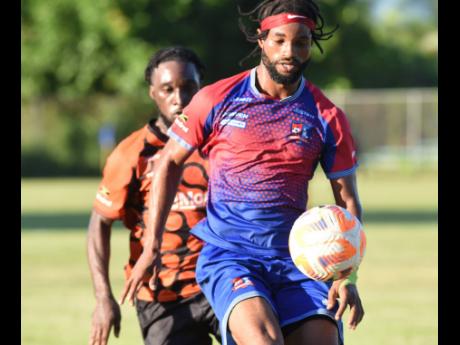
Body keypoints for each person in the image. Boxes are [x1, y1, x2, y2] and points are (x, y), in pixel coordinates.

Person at [120, 1, 365, 344]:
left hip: (300, 262)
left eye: (301, 42)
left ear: (311, 45)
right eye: (279, 40)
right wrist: (151, 247)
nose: (289, 51)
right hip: (230, 256)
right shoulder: (215, 99)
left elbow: (348, 202)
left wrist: (347, 275)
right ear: (261, 40)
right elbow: (168, 163)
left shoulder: (327, 117)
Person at [87, 46, 220, 345]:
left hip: (222, 281)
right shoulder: (131, 154)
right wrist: (103, 297)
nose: (179, 98)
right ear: (152, 93)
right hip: (163, 294)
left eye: (189, 87)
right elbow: (99, 222)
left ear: (201, 89)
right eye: (168, 89)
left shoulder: (222, 144)